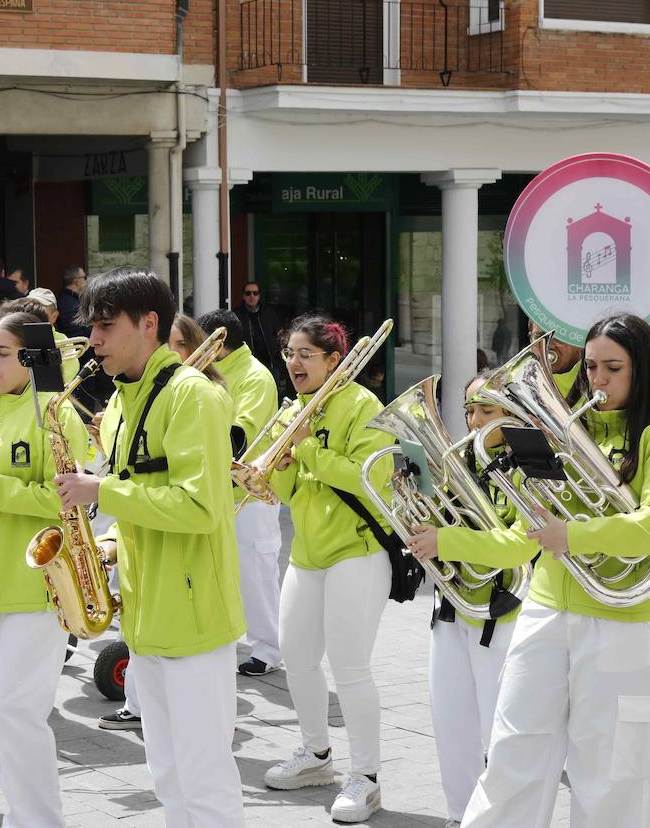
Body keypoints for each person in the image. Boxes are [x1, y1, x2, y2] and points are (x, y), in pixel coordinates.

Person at [462, 313, 650, 828]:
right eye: (591, 367)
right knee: (512, 752)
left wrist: (574, 535)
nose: (598, 380)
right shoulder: (565, 426)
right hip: (547, 607)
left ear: (644, 370)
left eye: (614, 368)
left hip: (629, 619)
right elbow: (534, 514)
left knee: (615, 776)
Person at [55, 267, 247, 827]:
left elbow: (200, 507)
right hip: (145, 614)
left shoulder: (194, 395)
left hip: (193, 618)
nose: (94, 340)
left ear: (149, 324)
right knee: (165, 771)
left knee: (204, 773)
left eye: (105, 327)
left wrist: (102, 491)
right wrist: (106, 544)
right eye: (91, 326)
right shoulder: (118, 401)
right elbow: (139, 495)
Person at [0, 311, 87, 828]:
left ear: (33, 358)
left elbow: (64, 500)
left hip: (39, 582)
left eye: (3, 353)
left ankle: (38, 821)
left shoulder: (57, 412)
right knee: (0, 715)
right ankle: (23, 815)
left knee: (15, 713)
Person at [259, 314, 393, 823]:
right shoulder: (293, 409)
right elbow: (293, 494)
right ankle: (316, 755)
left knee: (351, 666)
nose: (293, 363)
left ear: (334, 361)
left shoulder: (362, 405)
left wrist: (307, 448)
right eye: (289, 353)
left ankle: (367, 777)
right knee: (297, 657)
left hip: (357, 552)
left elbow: (370, 476)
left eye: (304, 355)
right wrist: (278, 474)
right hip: (308, 553)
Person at [405, 372, 536, 828]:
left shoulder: (529, 462)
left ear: (514, 414)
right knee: (450, 726)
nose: (473, 420)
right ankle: (459, 816)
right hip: (451, 607)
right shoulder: (456, 460)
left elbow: (521, 545)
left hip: (503, 612)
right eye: (468, 410)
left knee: (499, 732)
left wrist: (447, 540)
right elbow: (434, 521)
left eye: (487, 410)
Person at [199, 308, 284, 677]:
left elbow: (241, 434)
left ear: (218, 344)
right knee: (221, 573)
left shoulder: (255, 377)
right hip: (216, 491)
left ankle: (269, 649)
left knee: (255, 572)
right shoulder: (205, 373)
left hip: (250, 494)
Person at [234, 281, 285, 387]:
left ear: (259, 295)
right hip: (247, 364)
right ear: (243, 296)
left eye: (255, 293)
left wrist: (279, 360)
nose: (252, 296)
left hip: (270, 363)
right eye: (248, 293)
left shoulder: (269, 312)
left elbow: (280, 334)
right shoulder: (236, 315)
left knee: (274, 392)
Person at [528, 320, 584, 401]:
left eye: (558, 337)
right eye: (539, 336)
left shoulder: (595, 379)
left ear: (579, 344)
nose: (548, 345)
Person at [56, 265, 88, 338]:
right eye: (84, 277)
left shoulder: (69, 299)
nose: (86, 281)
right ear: (77, 281)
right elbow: (76, 331)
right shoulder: (68, 303)